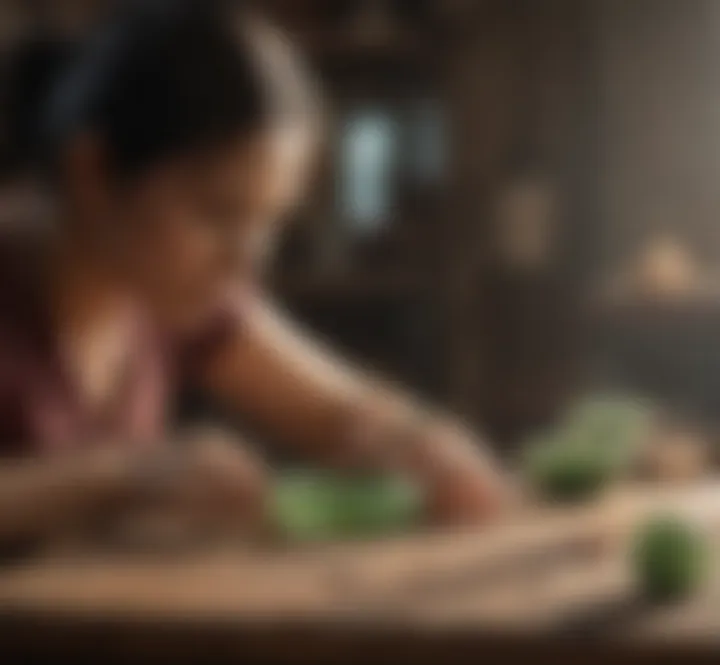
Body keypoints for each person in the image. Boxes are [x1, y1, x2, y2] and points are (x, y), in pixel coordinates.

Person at [0, 0, 512, 549]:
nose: (248, 261)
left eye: (269, 222)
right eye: (218, 213)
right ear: (93, 171)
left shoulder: (162, 286)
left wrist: (421, 447)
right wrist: (123, 476)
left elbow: (342, 416)